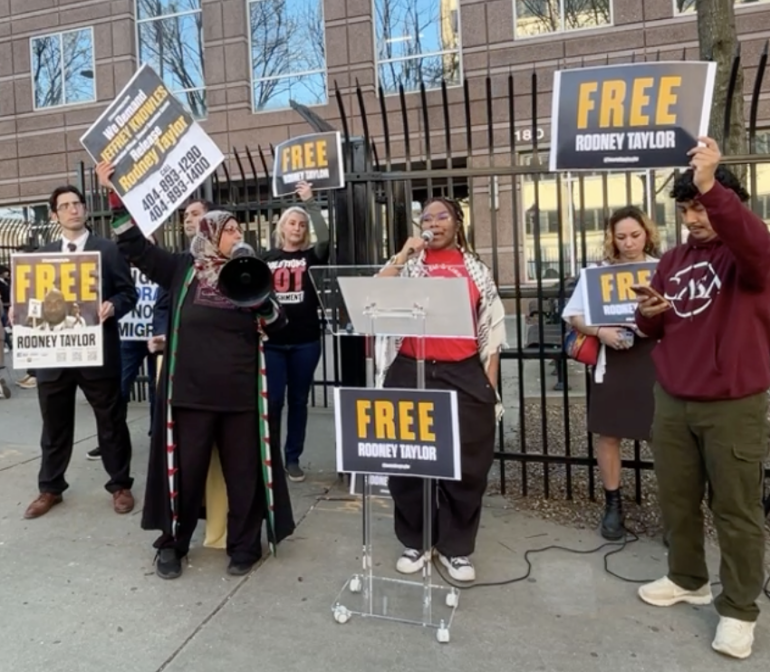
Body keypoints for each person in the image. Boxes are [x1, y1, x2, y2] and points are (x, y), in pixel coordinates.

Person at [97, 162, 295, 580]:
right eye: (230, 231)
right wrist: (115, 191)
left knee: (244, 476)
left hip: (240, 397)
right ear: (209, 234)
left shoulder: (250, 275)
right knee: (182, 476)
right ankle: (173, 543)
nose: (238, 236)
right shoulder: (181, 271)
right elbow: (133, 245)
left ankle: (244, 545)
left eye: (239, 231)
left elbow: (278, 327)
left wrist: (259, 300)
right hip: (190, 396)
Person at [634, 137, 770, 660]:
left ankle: (738, 609)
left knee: (736, 509)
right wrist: (648, 316)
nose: (692, 216)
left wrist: (711, 182)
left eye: (700, 206)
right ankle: (687, 577)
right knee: (677, 497)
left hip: (733, 401)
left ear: (724, 202)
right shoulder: (671, 259)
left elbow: (752, 242)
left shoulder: (749, 256)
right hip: (673, 396)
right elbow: (657, 327)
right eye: (686, 207)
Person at [375, 197, 506, 582]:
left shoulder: (475, 269)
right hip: (410, 369)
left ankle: (456, 547)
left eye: (442, 216)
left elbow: (492, 332)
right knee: (407, 460)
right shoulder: (409, 265)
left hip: (462, 371)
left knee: (466, 464)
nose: (433, 223)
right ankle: (417, 539)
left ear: (457, 223)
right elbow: (377, 295)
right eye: (426, 217)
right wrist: (402, 254)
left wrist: (489, 385)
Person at [17, 185, 137, 519]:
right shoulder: (42, 255)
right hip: (53, 358)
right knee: (54, 426)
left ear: (84, 209)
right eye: (65, 206)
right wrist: (19, 312)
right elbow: (32, 304)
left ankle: (120, 485)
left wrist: (114, 304)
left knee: (111, 423)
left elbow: (129, 294)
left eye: (77, 204)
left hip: (97, 354)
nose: (73, 210)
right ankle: (50, 488)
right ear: (54, 215)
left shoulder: (108, 251)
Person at [561, 206, 660, 540]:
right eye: (621, 237)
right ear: (611, 238)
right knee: (609, 434)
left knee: (663, 436)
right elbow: (572, 314)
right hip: (612, 359)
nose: (629, 243)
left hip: (654, 359)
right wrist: (600, 332)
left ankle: (673, 510)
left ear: (647, 233)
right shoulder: (598, 272)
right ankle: (613, 505)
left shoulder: (661, 269)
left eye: (635, 235)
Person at [86, 200, 212, 460]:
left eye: (194, 214)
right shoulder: (116, 260)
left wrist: (163, 332)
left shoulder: (175, 261)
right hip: (128, 335)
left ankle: (160, 438)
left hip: (159, 335)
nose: (188, 219)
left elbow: (168, 301)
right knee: (117, 389)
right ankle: (109, 441)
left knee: (159, 391)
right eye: (185, 215)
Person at [262, 181, 329, 482]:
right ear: (282, 227)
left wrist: (310, 202)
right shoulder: (266, 259)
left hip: (305, 342)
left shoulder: (311, 257)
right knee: (273, 401)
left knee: (299, 401)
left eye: (302, 224)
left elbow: (325, 238)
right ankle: (271, 456)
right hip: (273, 343)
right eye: (292, 222)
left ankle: (293, 458)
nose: (297, 227)